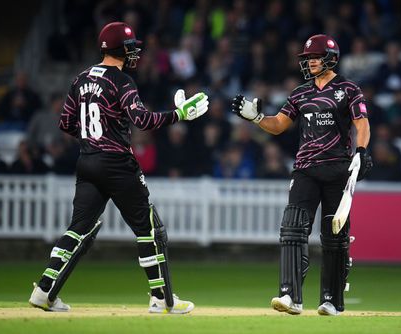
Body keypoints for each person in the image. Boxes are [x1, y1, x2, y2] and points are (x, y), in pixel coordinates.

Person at [28, 22, 209, 314]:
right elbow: (143, 121)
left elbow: (65, 123)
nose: (135, 51)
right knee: (151, 229)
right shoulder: (121, 81)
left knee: (78, 229)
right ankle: (163, 299)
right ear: (119, 48)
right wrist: (180, 114)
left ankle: (44, 290)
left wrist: (93, 140)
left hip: (87, 161)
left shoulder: (81, 78)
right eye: (131, 46)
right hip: (117, 164)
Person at [231, 34, 372, 316]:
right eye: (307, 59)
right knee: (293, 228)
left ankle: (331, 300)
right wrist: (256, 117)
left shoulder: (348, 89)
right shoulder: (300, 93)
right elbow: (279, 124)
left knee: (334, 237)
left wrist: (361, 151)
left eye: (314, 58)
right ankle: (290, 296)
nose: (309, 63)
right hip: (306, 169)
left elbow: (362, 123)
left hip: (337, 169)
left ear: (331, 58)